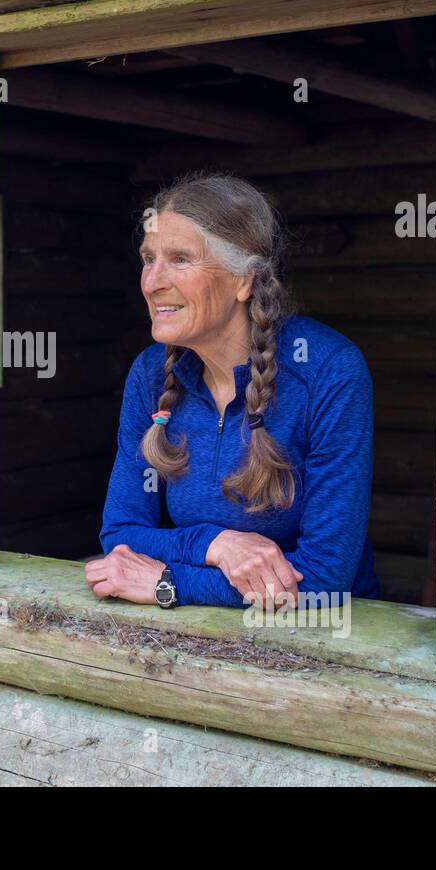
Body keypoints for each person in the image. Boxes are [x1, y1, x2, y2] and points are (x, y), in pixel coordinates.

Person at [87, 172, 381, 610]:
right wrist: (217, 544)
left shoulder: (328, 370)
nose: (152, 282)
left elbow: (323, 577)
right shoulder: (151, 375)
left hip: (328, 640)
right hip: (199, 634)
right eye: (149, 259)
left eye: (181, 259)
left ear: (244, 280)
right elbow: (122, 533)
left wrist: (170, 583)